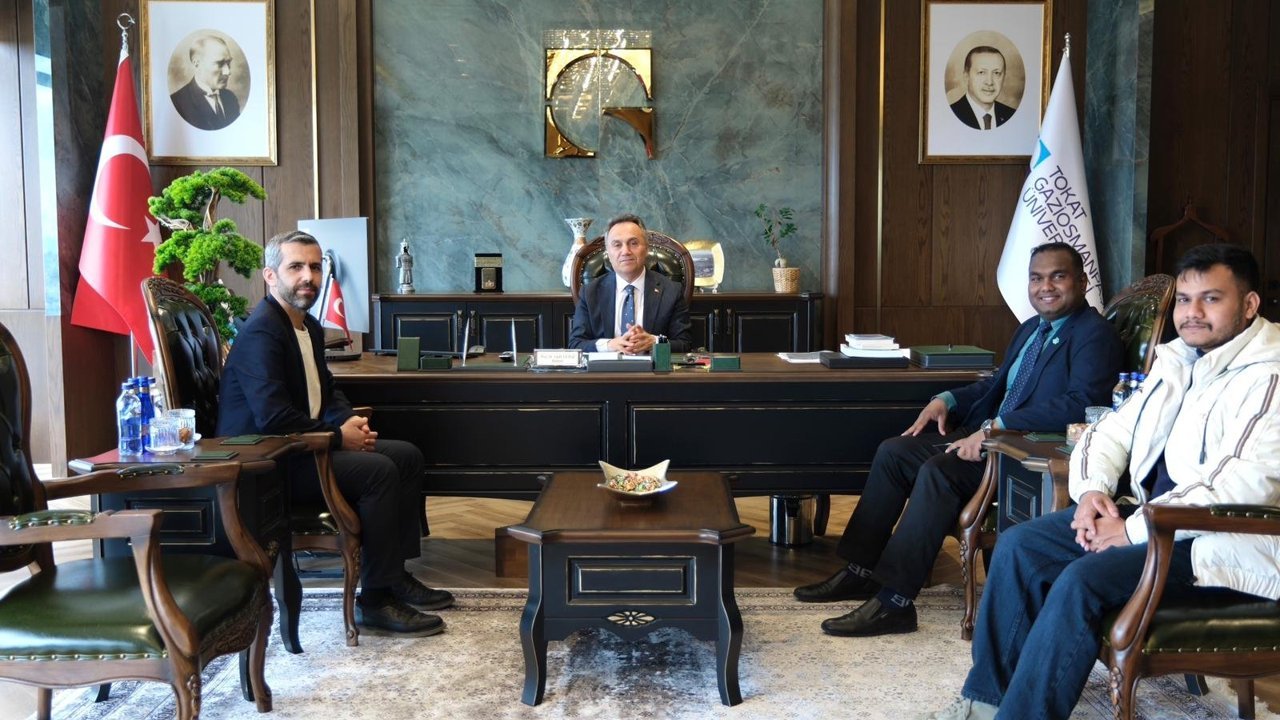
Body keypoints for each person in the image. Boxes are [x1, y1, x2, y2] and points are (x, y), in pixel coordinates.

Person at [922, 243, 1280, 720]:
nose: (1192, 313)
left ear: (1249, 305)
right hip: (1154, 522)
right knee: (1020, 546)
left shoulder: (1269, 375)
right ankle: (985, 703)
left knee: (1081, 581)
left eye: (1210, 299)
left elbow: (1241, 485)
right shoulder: (1181, 360)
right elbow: (1109, 429)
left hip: (1222, 542)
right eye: (1184, 299)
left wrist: (1130, 530)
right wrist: (1092, 492)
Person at [794, 242, 1123, 639]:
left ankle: (895, 602)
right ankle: (860, 570)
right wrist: (946, 399)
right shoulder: (1031, 329)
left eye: (1058, 276)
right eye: (1036, 278)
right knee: (894, 453)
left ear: (1082, 282)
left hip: (1021, 449)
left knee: (940, 473)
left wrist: (995, 428)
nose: (1045, 287)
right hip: (987, 432)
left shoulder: (1093, 334)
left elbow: (1082, 402)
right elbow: (999, 386)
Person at [218, 230, 452, 637]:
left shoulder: (307, 325)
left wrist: (349, 424)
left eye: (314, 267)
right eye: (295, 267)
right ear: (270, 276)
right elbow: (273, 419)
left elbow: (327, 391)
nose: (308, 276)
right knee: (378, 472)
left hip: (303, 446)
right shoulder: (262, 332)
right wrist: (338, 437)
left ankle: (393, 576)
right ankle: (375, 600)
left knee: (407, 456)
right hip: (269, 464)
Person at [567, 214, 693, 354]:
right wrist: (609, 345)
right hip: (606, 367)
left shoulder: (671, 291)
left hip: (652, 367)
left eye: (633, 243)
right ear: (608, 252)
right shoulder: (590, 292)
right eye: (617, 245)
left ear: (646, 248)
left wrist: (655, 342)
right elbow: (576, 344)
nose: (625, 251)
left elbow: (684, 344)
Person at [170, 35, 242, 131]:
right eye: (219, 64)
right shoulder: (178, 103)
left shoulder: (230, 98)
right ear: (197, 63)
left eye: (228, 63)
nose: (227, 72)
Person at [949, 46, 1015, 131]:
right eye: (981, 72)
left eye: (996, 73)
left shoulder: (1011, 114)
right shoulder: (951, 114)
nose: (989, 82)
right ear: (966, 76)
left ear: (1004, 77)